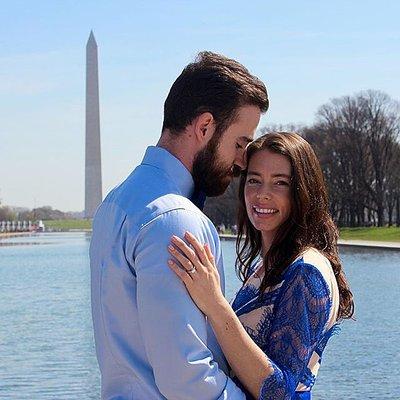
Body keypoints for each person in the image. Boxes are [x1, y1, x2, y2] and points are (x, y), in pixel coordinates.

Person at [90, 51, 269, 399]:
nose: (242, 162)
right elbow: (187, 378)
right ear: (204, 127)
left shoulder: (114, 202)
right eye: (239, 143)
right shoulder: (175, 219)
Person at [167, 132, 354, 400]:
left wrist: (214, 303)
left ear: (303, 192)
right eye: (254, 180)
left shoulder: (306, 271)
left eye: (280, 183)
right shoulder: (269, 265)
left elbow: (279, 393)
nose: (262, 195)